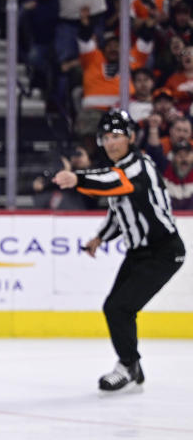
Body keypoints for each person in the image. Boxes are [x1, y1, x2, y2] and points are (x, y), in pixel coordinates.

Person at [53, 109, 185, 393]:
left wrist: (77, 179)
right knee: (116, 308)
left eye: (117, 136)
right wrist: (100, 238)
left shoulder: (138, 166)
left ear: (132, 138)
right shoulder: (121, 167)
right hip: (139, 252)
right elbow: (119, 210)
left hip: (163, 252)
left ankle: (128, 365)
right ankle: (131, 364)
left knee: (119, 308)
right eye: (106, 137)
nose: (111, 143)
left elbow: (115, 183)